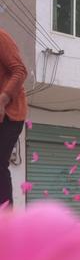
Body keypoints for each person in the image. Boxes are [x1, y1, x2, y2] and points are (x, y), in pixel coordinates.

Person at [0, 28, 28, 206]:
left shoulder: (1, 37)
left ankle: (5, 219)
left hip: (10, 113)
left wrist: (3, 99)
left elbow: (20, 71)